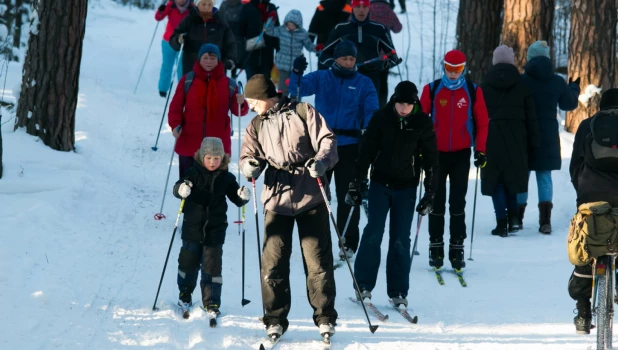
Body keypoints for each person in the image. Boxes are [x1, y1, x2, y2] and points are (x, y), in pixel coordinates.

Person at [239, 74, 339, 340]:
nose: (250, 106)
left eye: (252, 101)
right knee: (273, 264)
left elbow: (328, 140)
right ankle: (274, 318)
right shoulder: (256, 125)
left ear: (265, 96)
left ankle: (325, 316)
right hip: (276, 197)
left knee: (317, 262)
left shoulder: (303, 112)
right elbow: (248, 155)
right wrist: (249, 165)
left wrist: (321, 161)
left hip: (310, 194)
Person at [346, 81, 438, 306]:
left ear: (414, 103)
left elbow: (431, 160)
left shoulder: (423, 122)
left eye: (408, 103)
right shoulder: (381, 117)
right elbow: (366, 151)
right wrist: (356, 182)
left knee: (400, 239)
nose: (404, 107)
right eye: (400, 103)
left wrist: (430, 193)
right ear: (394, 101)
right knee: (373, 233)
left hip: (406, 187)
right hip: (380, 184)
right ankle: (363, 285)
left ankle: (398, 291)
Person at [289, 40, 378, 259]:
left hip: (349, 146)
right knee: (316, 194)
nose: (348, 63)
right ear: (336, 59)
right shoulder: (322, 77)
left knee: (348, 194)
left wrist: (369, 126)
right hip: (322, 145)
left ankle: (347, 241)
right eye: (344, 58)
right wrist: (297, 72)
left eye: (352, 59)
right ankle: (314, 239)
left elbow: (371, 108)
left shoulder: (363, 83)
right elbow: (297, 89)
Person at [419, 49, 488, 271]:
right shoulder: (431, 89)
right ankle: (435, 247)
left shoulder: (472, 90)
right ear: (443, 67)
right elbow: (420, 121)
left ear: (463, 69)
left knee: (458, 202)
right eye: (449, 68)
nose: (452, 73)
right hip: (436, 154)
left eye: (457, 69)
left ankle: (457, 247)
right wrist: (420, 148)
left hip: (460, 154)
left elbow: (483, 122)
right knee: (436, 201)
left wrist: (481, 150)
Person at [173, 137, 251, 315]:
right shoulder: (192, 173)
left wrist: (242, 196)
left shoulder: (227, 178)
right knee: (188, 263)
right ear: (202, 156)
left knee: (212, 268)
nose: (213, 162)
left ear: (222, 158)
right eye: (209, 158)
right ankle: (185, 293)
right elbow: (178, 187)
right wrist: (181, 189)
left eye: (217, 158)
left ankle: (212, 302)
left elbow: (236, 199)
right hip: (192, 229)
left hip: (215, 231)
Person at [568, 88, 618, 334]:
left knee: (585, 247)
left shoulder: (589, 125)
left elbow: (575, 165)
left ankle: (583, 313)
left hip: (591, 196)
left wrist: (582, 194)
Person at [517, 40, 580, 234]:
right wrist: (574, 89)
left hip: (524, 133)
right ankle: (545, 221)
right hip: (548, 135)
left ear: (530, 58)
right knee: (544, 176)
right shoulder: (557, 81)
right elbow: (568, 105)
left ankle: (517, 218)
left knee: (522, 176)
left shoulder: (522, 81)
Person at [480, 45, 539, 237]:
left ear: (494, 61)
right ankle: (514, 219)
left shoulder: (484, 85)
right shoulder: (522, 85)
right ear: (512, 61)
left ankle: (501, 222)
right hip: (517, 139)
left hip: (492, 138)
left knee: (496, 181)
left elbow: (477, 116)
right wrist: (533, 142)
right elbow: (531, 117)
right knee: (512, 179)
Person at [168, 44, 249, 178]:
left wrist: (241, 103)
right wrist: (175, 124)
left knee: (217, 190)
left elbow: (239, 111)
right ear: (199, 59)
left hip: (217, 148)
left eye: (213, 58)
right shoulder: (188, 80)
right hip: (190, 144)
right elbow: (175, 106)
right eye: (205, 58)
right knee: (187, 188)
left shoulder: (228, 84)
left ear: (218, 61)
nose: (209, 61)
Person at [319, 0, 400, 106]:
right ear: (352, 7)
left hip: (371, 81)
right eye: (358, 6)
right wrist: (337, 65)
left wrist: (382, 64)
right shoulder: (341, 28)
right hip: (346, 79)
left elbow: (393, 56)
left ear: (369, 8)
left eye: (364, 7)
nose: (361, 10)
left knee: (370, 118)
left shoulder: (379, 29)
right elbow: (324, 56)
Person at [169, 0, 237, 76]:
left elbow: (230, 42)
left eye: (209, 4)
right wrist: (178, 40)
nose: (207, 7)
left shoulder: (220, 21)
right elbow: (173, 39)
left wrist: (231, 59)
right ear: (197, 5)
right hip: (192, 69)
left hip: (216, 70)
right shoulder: (189, 20)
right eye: (203, 4)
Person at [264, 9, 316, 96]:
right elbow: (269, 31)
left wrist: (317, 48)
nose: (290, 27)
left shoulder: (302, 34)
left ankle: (296, 106)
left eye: (293, 25)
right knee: (283, 90)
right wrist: (271, 20)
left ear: (298, 25)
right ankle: (282, 106)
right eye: (288, 24)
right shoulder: (281, 30)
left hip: (296, 67)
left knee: (297, 90)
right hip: (283, 65)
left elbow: (309, 45)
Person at [155, 0, 193, 97]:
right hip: (168, 41)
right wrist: (161, 10)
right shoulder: (170, 5)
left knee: (182, 68)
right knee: (167, 66)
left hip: (183, 42)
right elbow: (158, 17)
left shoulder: (192, 8)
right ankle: (162, 90)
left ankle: (183, 91)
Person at [369, 0, 402, 106]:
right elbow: (398, 28)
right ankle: (382, 107)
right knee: (383, 83)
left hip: (368, 54)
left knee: (368, 83)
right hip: (385, 54)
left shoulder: (366, 9)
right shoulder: (388, 10)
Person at [238, 0, 280, 80]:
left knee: (264, 87)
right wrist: (241, 52)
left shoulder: (271, 7)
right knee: (252, 87)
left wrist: (279, 50)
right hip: (251, 56)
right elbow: (240, 32)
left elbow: (277, 31)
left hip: (267, 56)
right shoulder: (247, 8)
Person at [218, 0, 244, 77]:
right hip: (224, 37)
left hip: (237, 38)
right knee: (223, 62)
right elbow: (219, 20)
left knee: (234, 61)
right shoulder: (224, 5)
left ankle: (232, 78)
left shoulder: (241, 7)